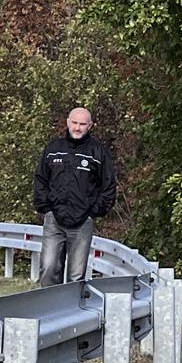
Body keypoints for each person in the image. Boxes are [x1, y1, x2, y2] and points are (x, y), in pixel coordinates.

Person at [32, 106, 118, 284]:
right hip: (54, 219)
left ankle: (72, 310)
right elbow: (40, 179)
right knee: (48, 268)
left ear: (90, 126)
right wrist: (46, 207)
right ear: (67, 122)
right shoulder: (53, 148)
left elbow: (108, 185)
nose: (77, 128)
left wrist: (94, 211)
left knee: (76, 276)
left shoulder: (98, 152)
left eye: (82, 124)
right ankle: (49, 308)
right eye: (74, 123)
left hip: (82, 222)